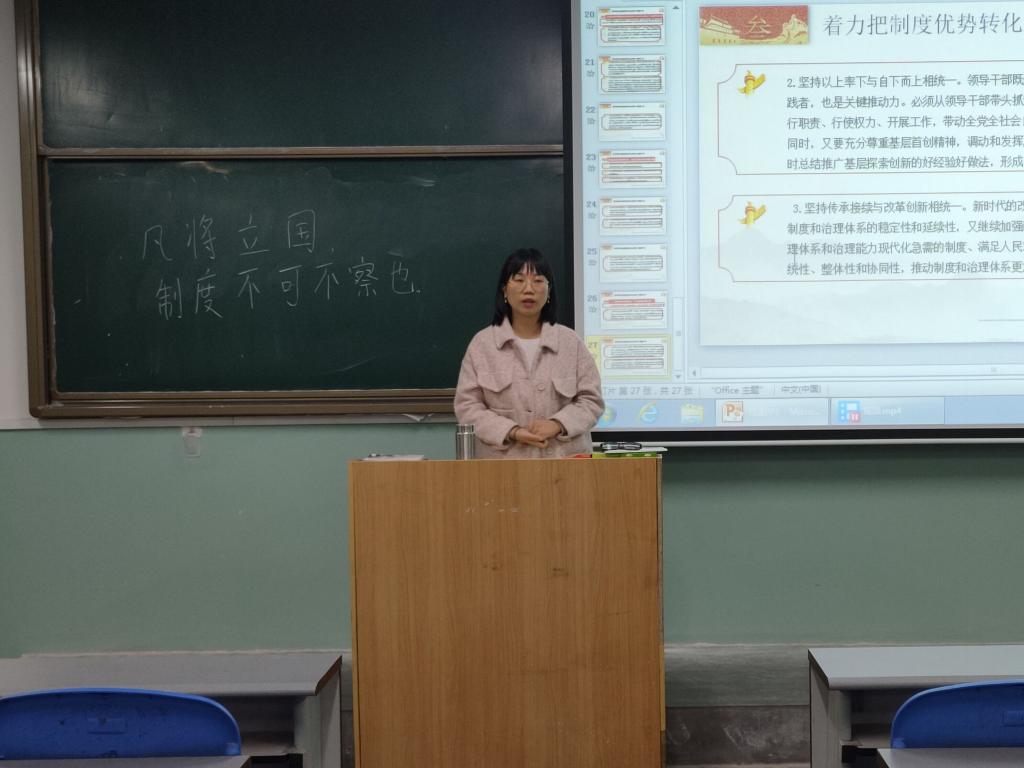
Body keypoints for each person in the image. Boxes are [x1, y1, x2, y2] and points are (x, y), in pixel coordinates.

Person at [454, 248, 604, 458]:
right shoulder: (483, 345)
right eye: (519, 280)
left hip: (564, 464)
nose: (528, 289)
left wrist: (558, 424)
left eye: (538, 281)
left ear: (549, 291)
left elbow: (592, 400)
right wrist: (512, 431)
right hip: (504, 465)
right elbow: (467, 406)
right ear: (504, 290)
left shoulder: (571, 342)